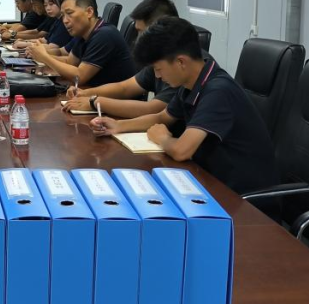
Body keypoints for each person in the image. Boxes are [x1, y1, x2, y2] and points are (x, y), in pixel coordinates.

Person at [90, 17, 279, 195]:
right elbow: (162, 117)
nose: (157, 76)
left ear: (181, 62)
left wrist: (162, 138)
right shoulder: (192, 83)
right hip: (210, 180)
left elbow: (182, 151)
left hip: (242, 199)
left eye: (158, 69)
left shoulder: (218, 91)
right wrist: (118, 126)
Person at [64, 0, 187, 117]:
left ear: (161, 28)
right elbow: (124, 88)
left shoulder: (179, 64)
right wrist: (85, 93)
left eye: (141, 32)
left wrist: (95, 102)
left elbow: (152, 109)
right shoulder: (158, 59)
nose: (137, 40)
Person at [27, 0, 135, 88]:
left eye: (69, 13)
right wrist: (38, 56)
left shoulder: (105, 35)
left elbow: (79, 77)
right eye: (63, 15)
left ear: (89, 12)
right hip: (92, 92)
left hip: (114, 100)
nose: (65, 21)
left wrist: (45, 57)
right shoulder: (83, 33)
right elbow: (70, 62)